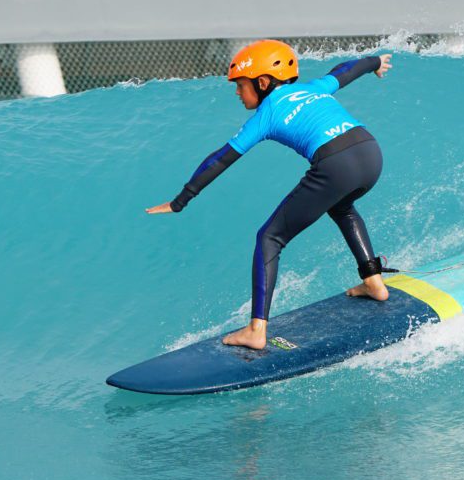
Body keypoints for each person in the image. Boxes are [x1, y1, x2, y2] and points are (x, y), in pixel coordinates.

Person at [146, 39, 393, 350]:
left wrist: (180, 201)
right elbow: (346, 69)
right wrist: (375, 62)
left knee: (269, 238)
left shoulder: (267, 115)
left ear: (262, 83)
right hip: (370, 152)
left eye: (241, 85)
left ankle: (256, 331)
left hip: (335, 164)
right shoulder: (313, 88)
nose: (237, 93)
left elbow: (219, 159)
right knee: (341, 206)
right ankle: (374, 281)